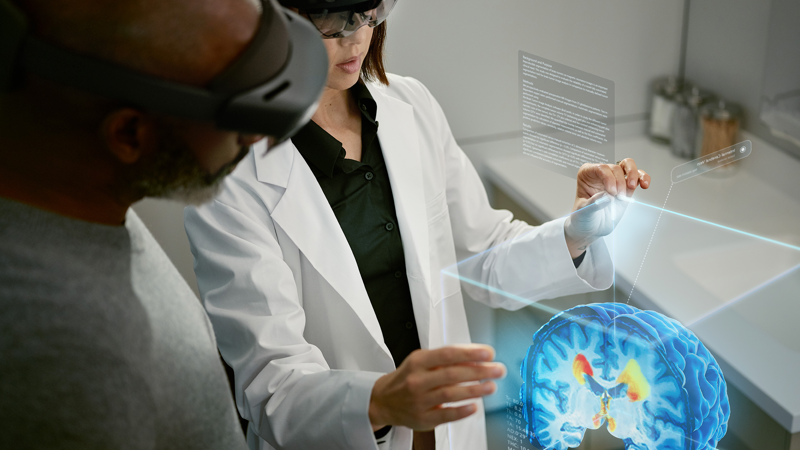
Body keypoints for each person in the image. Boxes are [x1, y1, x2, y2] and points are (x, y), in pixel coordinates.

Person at [184, 1, 652, 449]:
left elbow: (483, 255)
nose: (357, 37)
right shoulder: (228, 174)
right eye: (331, 19)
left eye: (367, 14)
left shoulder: (412, 107)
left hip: (450, 431)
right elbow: (273, 386)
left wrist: (576, 233)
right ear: (272, 17)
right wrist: (382, 400)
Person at [0, 0, 327, 448]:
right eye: (244, 119)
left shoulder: (86, 210)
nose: (256, 142)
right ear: (130, 134)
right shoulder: (62, 354)